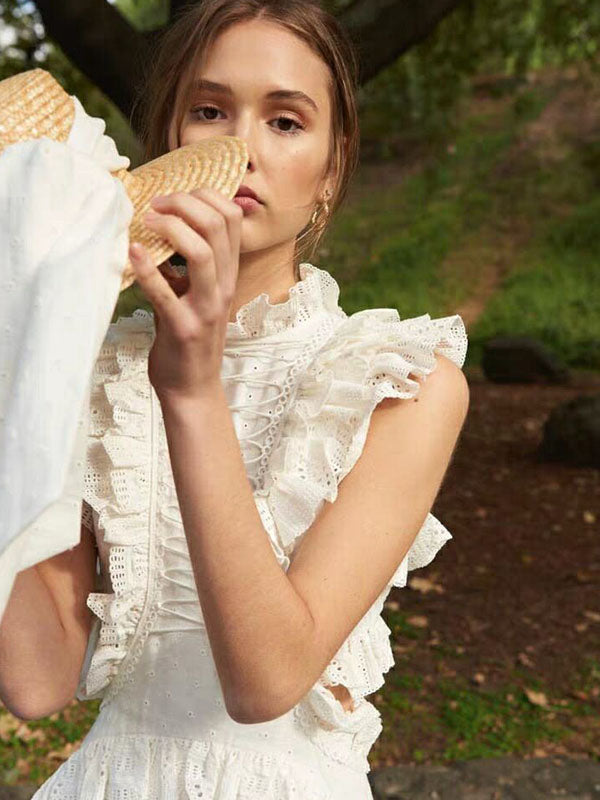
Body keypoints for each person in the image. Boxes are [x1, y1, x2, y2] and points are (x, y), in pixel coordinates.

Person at [31, 1, 470, 797]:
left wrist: (191, 390)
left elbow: (266, 683)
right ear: (167, 145)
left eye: (286, 121)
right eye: (209, 111)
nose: (241, 150)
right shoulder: (97, 369)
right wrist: (22, 370)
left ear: (331, 170)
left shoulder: (401, 382)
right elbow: (36, 680)